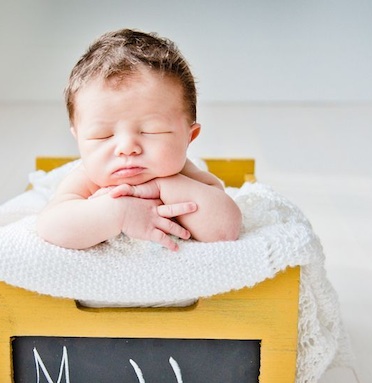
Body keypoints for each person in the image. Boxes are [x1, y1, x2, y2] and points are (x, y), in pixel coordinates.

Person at [36, 29, 242, 251]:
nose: (127, 147)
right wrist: (119, 212)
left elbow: (224, 230)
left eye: (152, 131)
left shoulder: (186, 175)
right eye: (103, 135)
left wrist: (163, 187)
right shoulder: (87, 179)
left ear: (189, 137)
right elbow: (51, 227)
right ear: (79, 140)